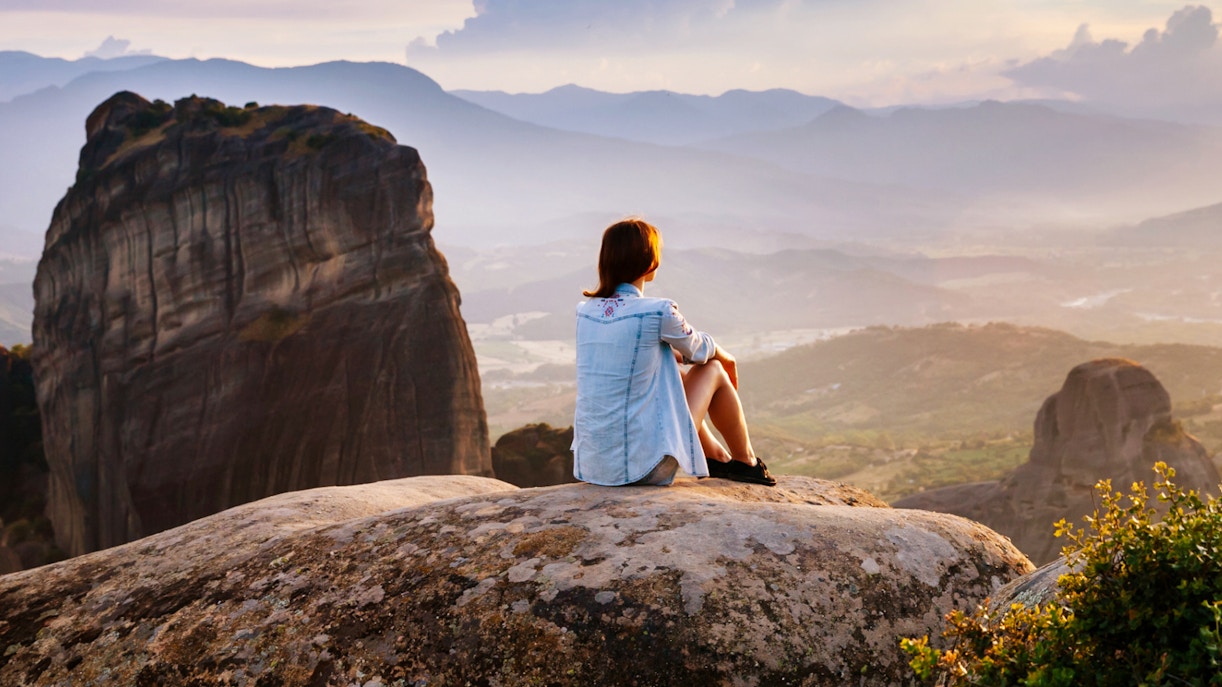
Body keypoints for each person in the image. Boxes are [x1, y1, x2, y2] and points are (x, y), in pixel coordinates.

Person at [571, 218, 776, 487]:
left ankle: (716, 458)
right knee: (713, 369)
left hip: (594, 468)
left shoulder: (585, 312)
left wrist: (673, 356)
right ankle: (746, 462)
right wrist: (726, 357)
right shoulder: (658, 311)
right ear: (650, 262)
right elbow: (700, 350)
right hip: (644, 468)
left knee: (672, 369)